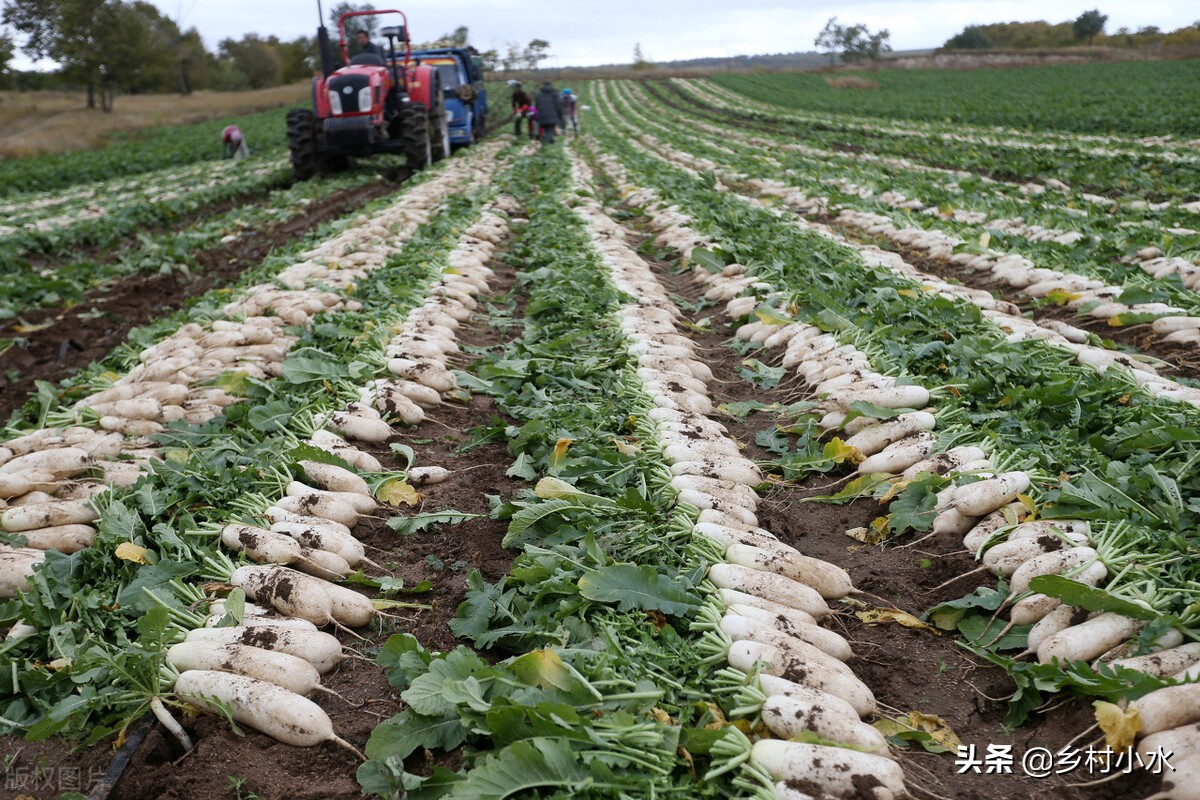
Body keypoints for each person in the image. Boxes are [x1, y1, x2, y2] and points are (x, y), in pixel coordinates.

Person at [533, 81, 564, 145]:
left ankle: (550, 144)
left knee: (547, 131)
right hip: (552, 116)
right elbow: (558, 105)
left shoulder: (538, 95)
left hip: (542, 116)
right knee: (550, 131)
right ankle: (545, 145)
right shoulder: (555, 93)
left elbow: (536, 106)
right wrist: (560, 115)